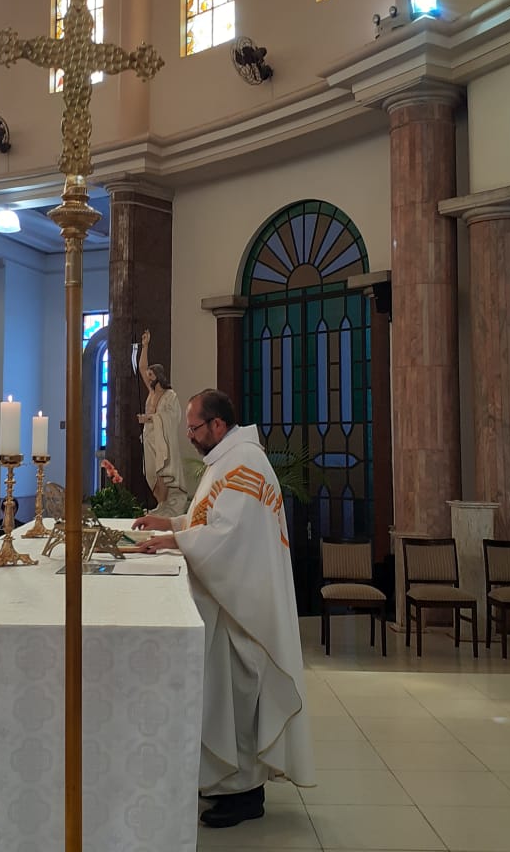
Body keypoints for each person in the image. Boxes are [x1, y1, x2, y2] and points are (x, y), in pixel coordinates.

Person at [133, 388, 313, 828]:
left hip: (244, 609)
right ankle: (228, 786)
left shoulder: (245, 462)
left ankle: (246, 795)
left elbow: (230, 536)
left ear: (217, 424)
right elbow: (210, 519)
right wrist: (172, 523)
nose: (189, 436)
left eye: (194, 427)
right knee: (227, 700)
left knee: (239, 700)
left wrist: (177, 540)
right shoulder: (227, 461)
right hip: (233, 600)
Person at [136, 329, 188, 516]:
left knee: (162, 471)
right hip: (150, 437)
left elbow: (172, 416)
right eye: (148, 374)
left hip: (162, 439)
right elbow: (142, 367)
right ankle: (161, 503)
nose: (148, 377)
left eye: (151, 375)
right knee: (151, 472)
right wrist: (145, 346)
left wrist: (150, 418)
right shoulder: (151, 393)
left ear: (158, 376)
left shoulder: (169, 395)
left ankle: (165, 505)